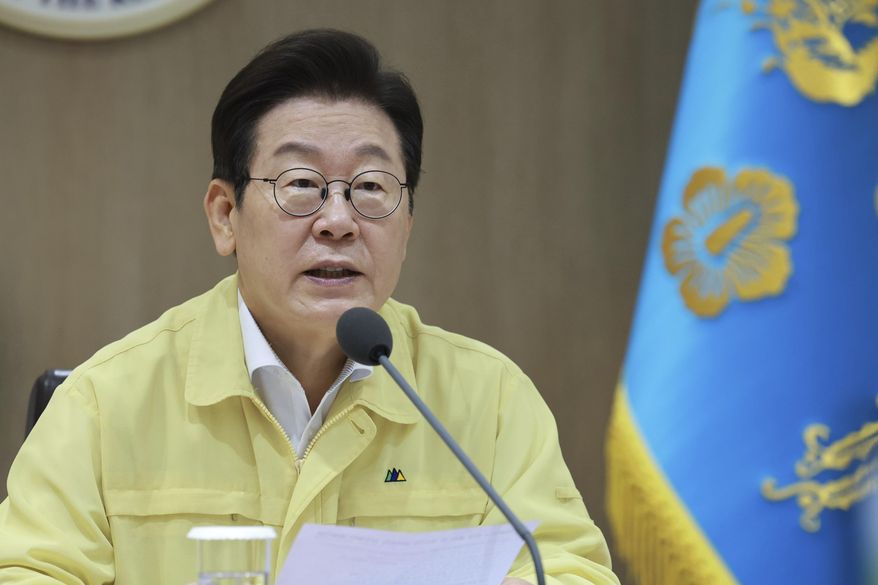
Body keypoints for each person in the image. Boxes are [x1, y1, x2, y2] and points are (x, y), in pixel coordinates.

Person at [0, 29, 619, 585]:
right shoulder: (106, 404)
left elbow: (565, 571)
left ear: (408, 221)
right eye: (301, 185)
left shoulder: (490, 404)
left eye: (372, 187)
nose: (339, 221)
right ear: (225, 216)